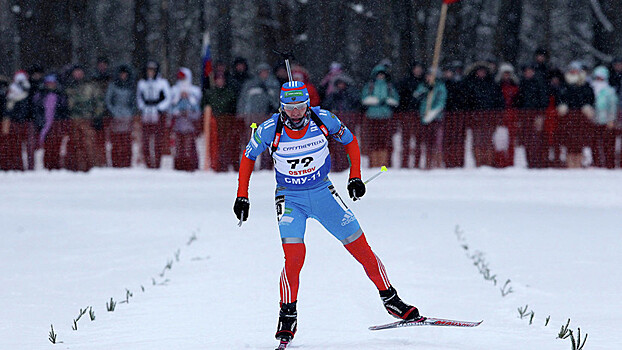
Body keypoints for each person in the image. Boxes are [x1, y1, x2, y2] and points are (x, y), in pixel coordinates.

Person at [233, 80, 421, 344]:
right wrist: (242, 194)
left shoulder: (323, 119)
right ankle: (288, 314)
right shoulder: (270, 128)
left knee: (361, 249)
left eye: (300, 106)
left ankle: (391, 300)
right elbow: (247, 157)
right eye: (290, 107)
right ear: (281, 107)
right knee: (295, 256)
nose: (295, 113)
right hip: (290, 198)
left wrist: (355, 176)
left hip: (323, 193)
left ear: (308, 105)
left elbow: (351, 141)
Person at [236, 62, 280, 170]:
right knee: (251, 140)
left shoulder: (274, 84)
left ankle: (266, 166)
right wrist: (241, 113)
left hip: (267, 117)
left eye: (266, 72)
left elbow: (277, 102)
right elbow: (243, 100)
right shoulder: (250, 84)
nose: (264, 74)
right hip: (252, 117)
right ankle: (249, 165)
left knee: (266, 142)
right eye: (262, 72)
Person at [556, 61, 595, 168]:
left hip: (581, 116)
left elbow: (590, 98)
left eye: (576, 69)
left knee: (580, 141)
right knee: (568, 141)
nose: (574, 71)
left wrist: (587, 106)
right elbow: (560, 98)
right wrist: (562, 105)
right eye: (572, 69)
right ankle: (570, 164)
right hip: (568, 116)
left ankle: (578, 163)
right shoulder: (564, 84)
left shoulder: (585, 84)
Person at [361, 64, 399, 168]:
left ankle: (384, 162)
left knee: (384, 141)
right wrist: (376, 101)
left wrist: (387, 101)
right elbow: (364, 99)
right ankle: (373, 162)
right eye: (379, 74)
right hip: (372, 116)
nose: (380, 77)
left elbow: (396, 100)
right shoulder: (370, 86)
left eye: (382, 74)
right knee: (373, 141)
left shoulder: (389, 86)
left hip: (385, 116)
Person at [65, 65, 102, 172]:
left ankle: (93, 168)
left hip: (88, 120)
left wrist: (97, 116)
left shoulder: (90, 86)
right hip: (74, 120)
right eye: (76, 72)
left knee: (89, 144)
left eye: (79, 72)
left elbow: (98, 102)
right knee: (76, 145)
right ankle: (78, 168)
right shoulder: (69, 86)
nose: (78, 74)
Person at [137, 60, 171, 168]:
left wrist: (160, 108)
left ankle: (157, 163)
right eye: (149, 70)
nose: (150, 72)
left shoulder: (162, 83)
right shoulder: (142, 83)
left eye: (152, 70)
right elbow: (139, 97)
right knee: (146, 140)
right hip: (146, 112)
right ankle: (148, 163)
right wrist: (142, 107)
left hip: (157, 113)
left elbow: (168, 98)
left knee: (157, 140)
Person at [32, 74, 70, 170]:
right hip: (44, 124)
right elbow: (36, 110)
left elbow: (64, 109)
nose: (50, 85)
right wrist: (40, 121)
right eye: (48, 83)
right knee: (46, 146)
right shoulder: (40, 95)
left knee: (57, 145)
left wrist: (62, 121)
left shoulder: (60, 95)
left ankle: (57, 166)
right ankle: (46, 165)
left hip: (56, 123)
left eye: (52, 83)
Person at [323, 74, 360, 172]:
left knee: (347, 144)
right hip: (336, 123)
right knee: (335, 146)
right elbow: (326, 105)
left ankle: (347, 166)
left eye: (342, 84)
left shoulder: (350, 94)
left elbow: (356, 103)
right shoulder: (333, 95)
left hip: (348, 121)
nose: (340, 86)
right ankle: (336, 167)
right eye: (338, 84)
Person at [516, 64, 549, 168]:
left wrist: (540, 114)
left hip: (536, 115)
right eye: (526, 71)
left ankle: (538, 161)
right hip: (525, 115)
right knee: (527, 140)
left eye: (530, 71)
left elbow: (543, 99)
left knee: (537, 139)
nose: (528, 73)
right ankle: (529, 161)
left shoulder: (539, 83)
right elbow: (519, 100)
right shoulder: (522, 83)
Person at [204, 72, 238, 172]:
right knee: (215, 144)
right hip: (214, 123)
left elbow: (231, 106)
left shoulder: (229, 92)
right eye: (218, 79)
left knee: (227, 145)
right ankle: (216, 164)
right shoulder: (211, 93)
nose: (220, 82)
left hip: (227, 122)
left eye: (221, 79)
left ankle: (225, 164)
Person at [170, 67, 202, 171]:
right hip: (178, 125)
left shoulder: (194, 92)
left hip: (190, 126)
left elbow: (197, 111)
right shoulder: (174, 91)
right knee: (178, 147)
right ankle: (179, 166)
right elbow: (171, 110)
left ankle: (190, 165)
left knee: (189, 146)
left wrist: (189, 113)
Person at [414, 69, 447, 169]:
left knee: (436, 142)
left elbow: (441, 103)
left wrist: (431, 115)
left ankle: (437, 164)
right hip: (424, 118)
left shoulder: (440, 87)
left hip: (436, 119)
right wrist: (426, 90)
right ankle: (427, 164)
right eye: (428, 75)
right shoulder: (423, 86)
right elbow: (416, 96)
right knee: (426, 143)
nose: (429, 77)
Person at [2, 70, 34, 171]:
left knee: (21, 146)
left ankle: (20, 166)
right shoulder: (11, 92)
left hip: (23, 122)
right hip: (12, 122)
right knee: (12, 145)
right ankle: (11, 165)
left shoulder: (28, 91)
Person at [106, 65, 136, 168]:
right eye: (121, 73)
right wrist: (114, 113)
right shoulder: (113, 86)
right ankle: (116, 163)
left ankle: (127, 163)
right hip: (115, 118)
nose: (123, 76)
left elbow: (133, 102)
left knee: (126, 142)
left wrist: (131, 114)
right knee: (116, 142)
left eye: (125, 74)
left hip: (127, 117)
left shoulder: (130, 86)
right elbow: (108, 101)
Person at [397, 61, 425, 168]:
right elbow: (403, 97)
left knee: (418, 140)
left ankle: (417, 164)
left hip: (419, 114)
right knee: (406, 140)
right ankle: (405, 163)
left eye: (420, 69)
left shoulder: (424, 81)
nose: (418, 71)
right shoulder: (406, 81)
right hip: (407, 113)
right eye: (416, 68)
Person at [589, 66, 618, 169]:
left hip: (606, 121)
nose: (599, 79)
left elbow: (613, 106)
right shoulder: (591, 88)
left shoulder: (609, 91)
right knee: (594, 143)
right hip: (594, 120)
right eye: (597, 77)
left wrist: (611, 119)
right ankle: (596, 163)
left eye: (601, 77)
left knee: (608, 143)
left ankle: (609, 164)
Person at [441, 63, 467, 168]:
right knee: (447, 140)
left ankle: (458, 161)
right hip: (446, 114)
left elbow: (463, 98)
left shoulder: (458, 84)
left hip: (457, 114)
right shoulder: (442, 84)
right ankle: (447, 161)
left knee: (458, 139)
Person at [92, 56, 113, 167]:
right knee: (98, 140)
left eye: (104, 64)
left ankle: (108, 162)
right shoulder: (93, 78)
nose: (102, 66)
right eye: (100, 64)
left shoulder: (111, 78)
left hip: (109, 113)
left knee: (111, 140)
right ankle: (99, 161)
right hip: (97, 113)